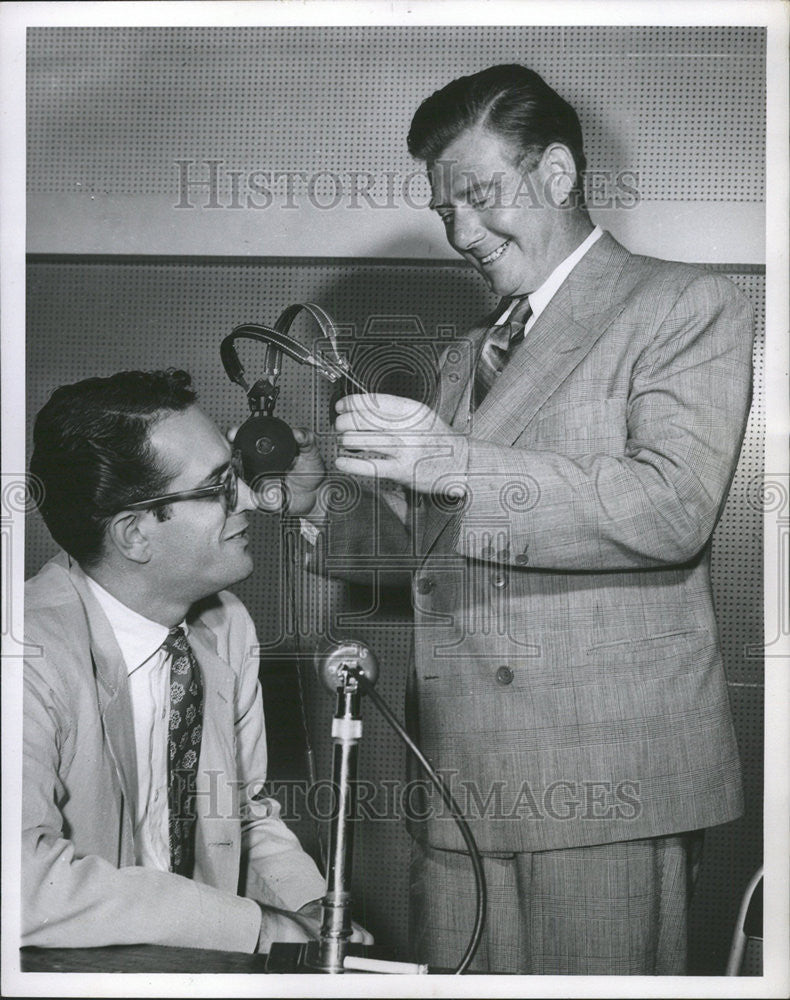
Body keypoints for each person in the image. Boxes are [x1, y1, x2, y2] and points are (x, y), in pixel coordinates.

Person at [278, 64, 755, 974]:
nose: (462, 232)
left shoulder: (686, 302)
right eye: (444, 209)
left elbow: (673, 506)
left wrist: (451, 462)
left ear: (561, 175)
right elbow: (446, 546)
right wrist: (324, 508)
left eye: (481, 195)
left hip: (608, 780)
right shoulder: (468, 353)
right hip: (457, 781)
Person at [22, 368, 370, 953]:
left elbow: (243, 816)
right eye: (216, 489)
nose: (250, 500)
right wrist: (261, 928)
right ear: (134, 535)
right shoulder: (25, 655)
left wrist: (310, 908)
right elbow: (22, 885)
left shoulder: (225, 622)